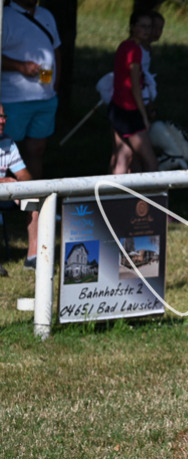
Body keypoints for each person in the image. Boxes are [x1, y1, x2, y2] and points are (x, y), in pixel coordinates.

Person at [1, 0, 60, 270]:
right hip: (14, 98)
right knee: (6, 150)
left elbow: (56, 49)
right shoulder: (5, 15)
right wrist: (20, 66)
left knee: (36, 152)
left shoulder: (46, 14)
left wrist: (55, 85)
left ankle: (37, 210)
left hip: (45, 97)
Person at [109, 11, 159, 176]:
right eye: (142, 26)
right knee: (150, 162)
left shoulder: (124, 46)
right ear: (132, 27)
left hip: (116, 108)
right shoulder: (135, 51)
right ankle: (150, 200)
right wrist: (143, 115)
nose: (147, 30)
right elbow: (134, 85)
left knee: (122, 158)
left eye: (149, 27)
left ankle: (109, 199)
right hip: (129, 112)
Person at [0, 104, 32, 278]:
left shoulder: (8, 142)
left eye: (4, 117)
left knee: (35, 201)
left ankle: (35, 258)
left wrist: (22, 188)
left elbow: (24, 173)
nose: (2, 120)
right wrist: (3, 180)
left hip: (5, 194)